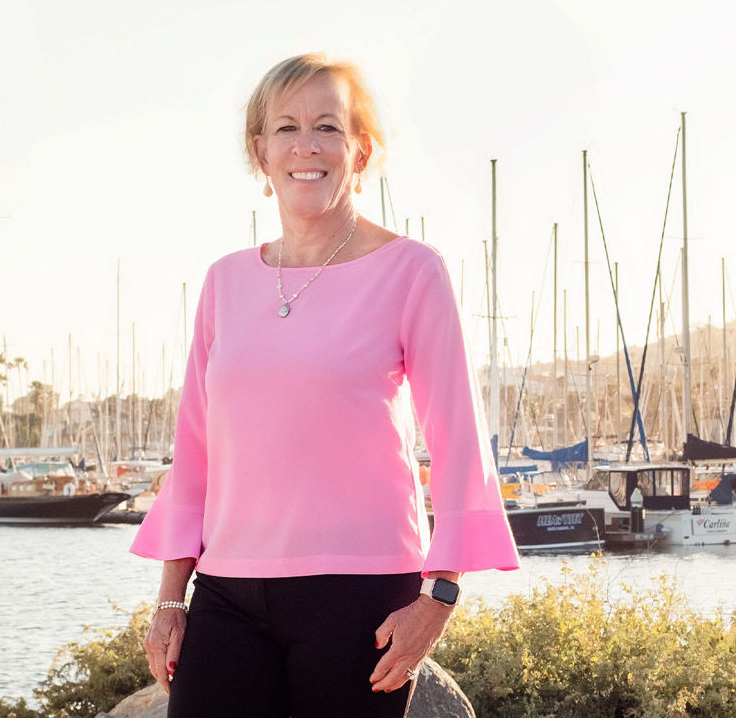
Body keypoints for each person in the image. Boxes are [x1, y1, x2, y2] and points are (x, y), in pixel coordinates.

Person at [132, 53, 520, 718]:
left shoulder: (412, 272)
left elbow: (457, 443)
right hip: (226, 595)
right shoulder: (225, 282)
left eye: (327, 127)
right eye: (285, 128)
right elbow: (195, 454)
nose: (305, 146)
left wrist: (440, 599)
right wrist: (171, 601)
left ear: (362, 150)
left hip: (362, 596)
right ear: (261, 152)